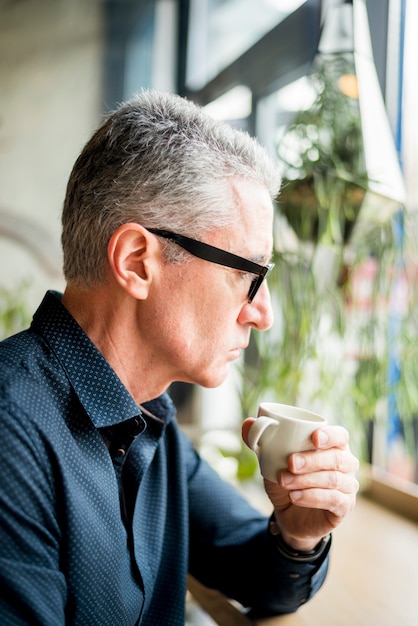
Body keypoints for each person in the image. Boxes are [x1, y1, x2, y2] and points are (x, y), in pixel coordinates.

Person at [0, 90, 359, 625]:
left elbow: (257, 573)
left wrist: (300, 533)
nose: (265, 315)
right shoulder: (12, 431)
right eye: (248, 275)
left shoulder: (145, 416)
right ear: (138, 261)